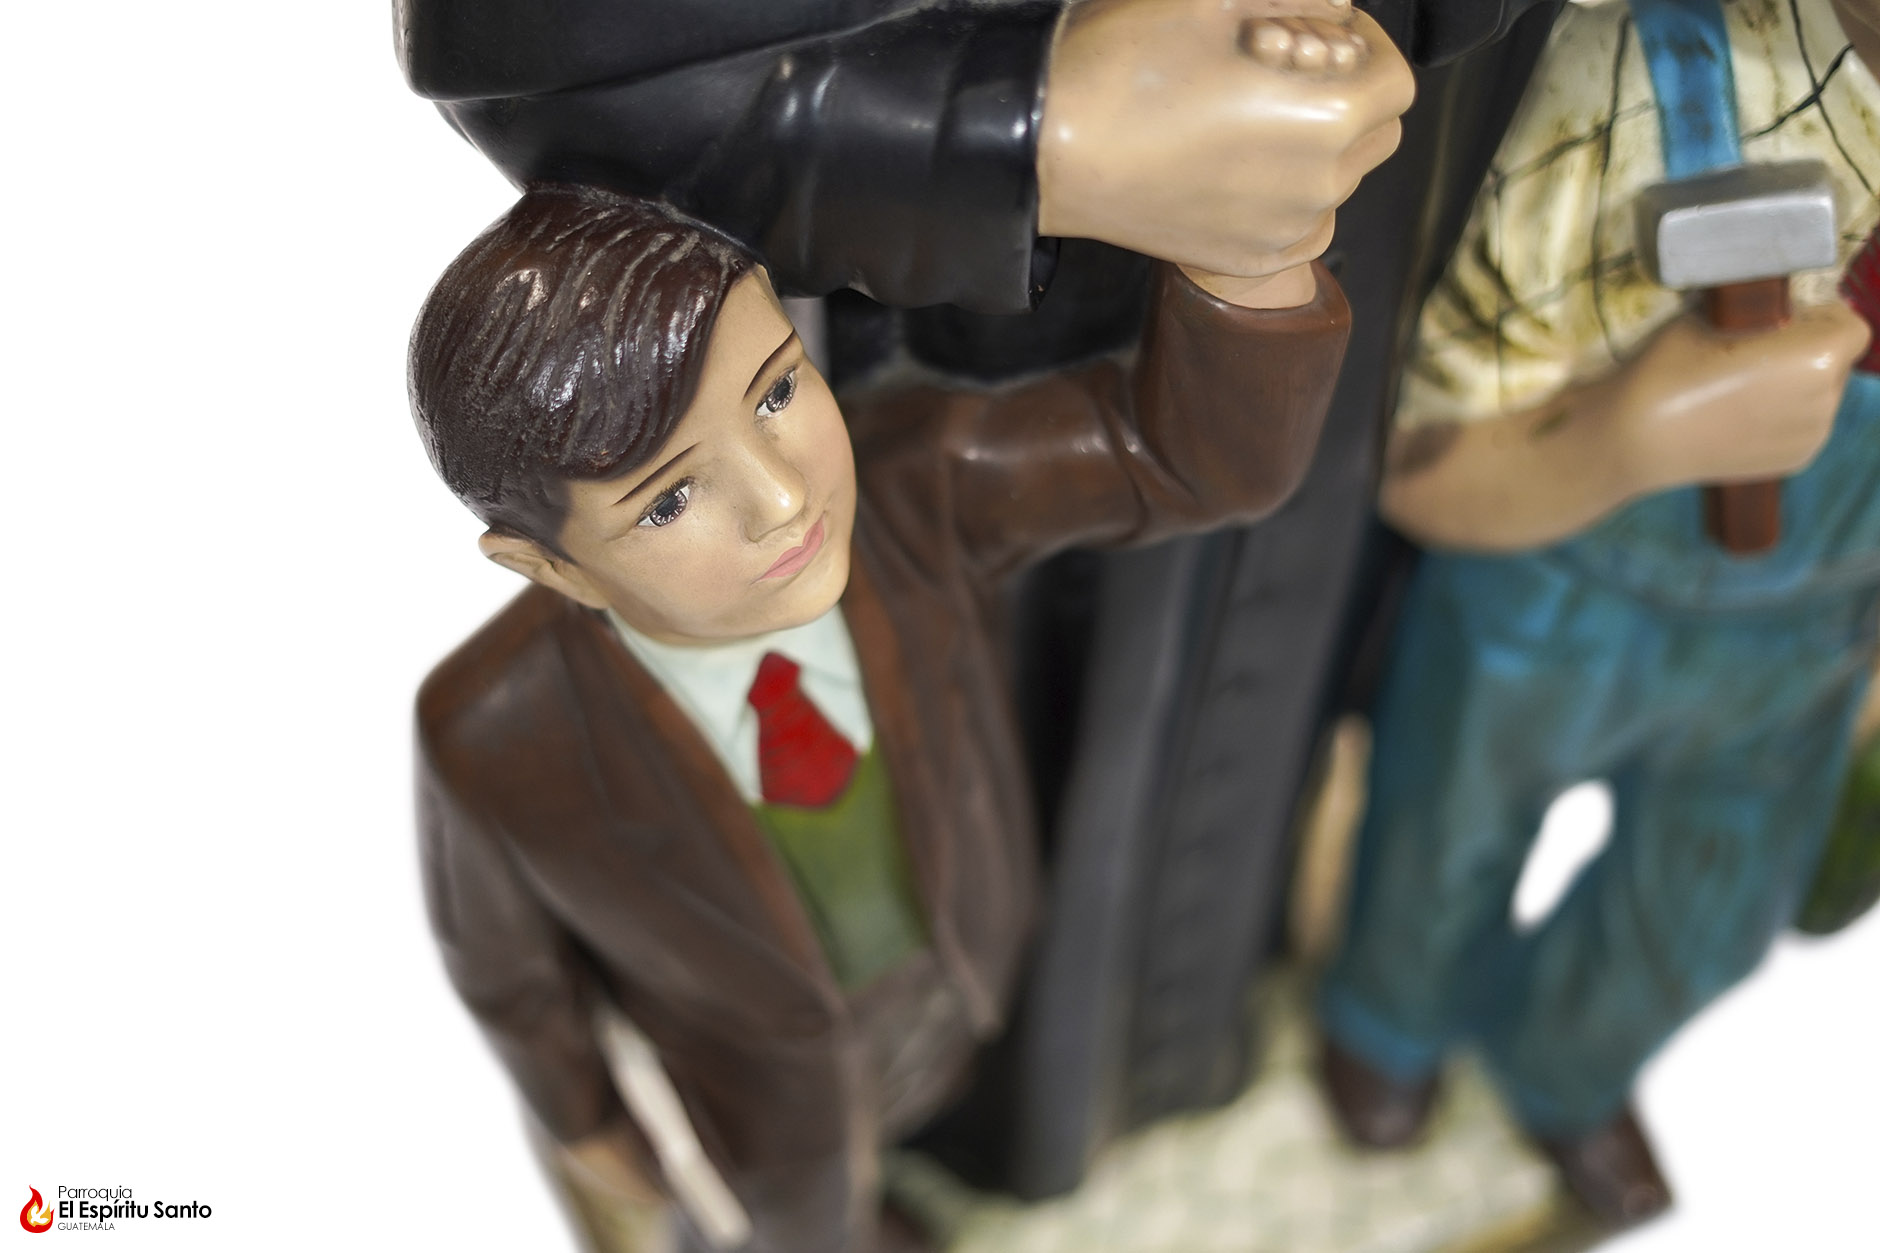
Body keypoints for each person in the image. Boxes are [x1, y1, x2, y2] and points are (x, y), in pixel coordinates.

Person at [408, 179, 1351, 1252]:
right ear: (548, 565)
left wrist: (1253, 263)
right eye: (667, 498)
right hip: (762, 1102)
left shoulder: (915, 490)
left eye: (775, 392)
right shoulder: (493, 736)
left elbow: (1173, 457)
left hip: (962, 982)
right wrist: (584, 1117)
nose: (781, 499)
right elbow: (508, 972)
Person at [1317, 0, 1880, 1229]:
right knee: (1447, 827)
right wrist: (1627, 436)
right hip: (1556, 578)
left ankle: (1563, 1069)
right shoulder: (1637, 88)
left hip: (1807, 637)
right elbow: (1411, 460)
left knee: (1707, 910)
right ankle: (1385, 1023)